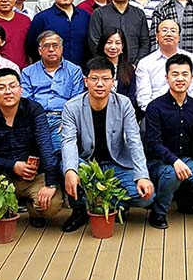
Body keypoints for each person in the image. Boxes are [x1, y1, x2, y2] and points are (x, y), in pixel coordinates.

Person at [60, 56, 155, 233]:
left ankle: (113, 203)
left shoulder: (124, 103)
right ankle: (79, 211)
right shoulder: (71, 107)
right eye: (94, 79)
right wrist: (70, 170)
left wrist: (142, 175)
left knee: (146, 198)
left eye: (105, 79)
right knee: (67, 166)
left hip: (116, 164)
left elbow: (134, 140)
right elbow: (68, 142)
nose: (100, 84)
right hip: (88, 163)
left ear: (113, 81)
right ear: (86, 81)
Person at [0, 68, 62, 232]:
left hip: (33, 176)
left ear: (20, 89)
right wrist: (12, 165)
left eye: (12, 86)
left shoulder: (34, 110)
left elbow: (46, 146)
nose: (8, 91)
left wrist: (51, 184)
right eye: (1, 88)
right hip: (0, 176)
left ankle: (33, 210)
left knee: (52, 205)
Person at [143, 54, 193, 229]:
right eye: (175, 74)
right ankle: (158, 212)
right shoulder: (155, 107)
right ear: (166, 77)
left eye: (184, 74)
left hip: (187, 160)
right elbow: (154, 144)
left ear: (191, 77)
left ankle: (184, 197)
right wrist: (174, 161)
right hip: (159, 162)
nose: (180, 79)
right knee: (172, 174)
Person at [21, 30, 86, 151]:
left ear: (61, 49)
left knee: (60, 149)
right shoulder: (28, 72)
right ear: (40, 50)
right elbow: (26, 101)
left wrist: (68, 121)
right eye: (46, 46)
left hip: (63, 118)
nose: (51, 50)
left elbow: (77, 100)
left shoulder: (74, 71)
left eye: (55, 45)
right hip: (37, 119)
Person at [135, 19, 193, 111]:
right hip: (156, 112)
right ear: (156, 36)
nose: (169, 34)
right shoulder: (145, 63)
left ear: (179, 37)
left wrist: (184, 110)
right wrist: (158, 112)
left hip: (187, 111)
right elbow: (143, 98)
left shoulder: (192, 59)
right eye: (164, 30)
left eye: (173, 31)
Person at [88, 0, 152, 63]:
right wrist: (108, 65)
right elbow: (94, 44)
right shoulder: (99, 14)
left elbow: (145, 43)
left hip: (135, 68)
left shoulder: (139, 14)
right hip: (107, 68)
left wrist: (135, 65)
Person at [26, 0, 90, 68]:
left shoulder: (85, 16)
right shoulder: (41, 18)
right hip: (51, 72)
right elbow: (31, 48)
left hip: (82, 72)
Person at [97, 29, 138, 112]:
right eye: (109, 42)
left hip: (123, 113)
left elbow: (131, 97)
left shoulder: (129, 70)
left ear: (123, 46)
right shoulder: (94, 67)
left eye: (118, 43)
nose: (113, 47)